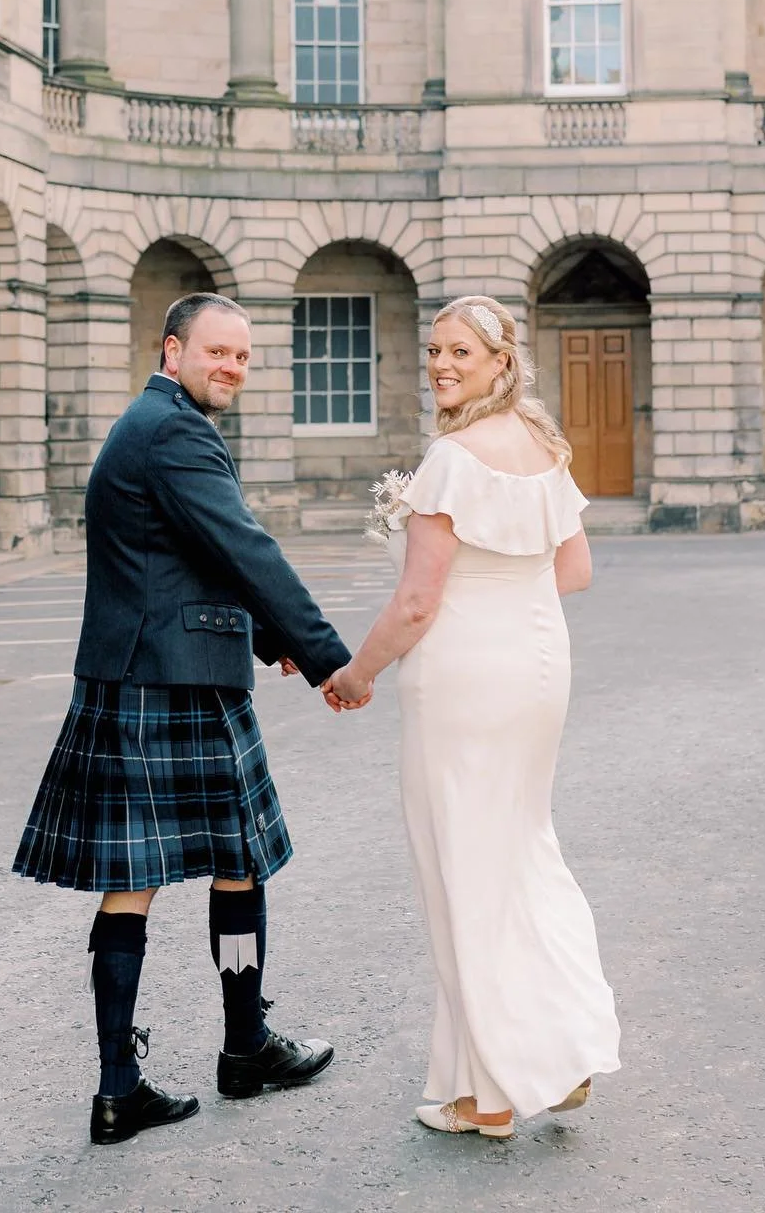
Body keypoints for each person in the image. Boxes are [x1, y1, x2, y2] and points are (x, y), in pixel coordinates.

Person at [13, 292, 363, 1146]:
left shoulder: (150, 422)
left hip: (141, 672)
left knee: (133, 880)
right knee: (237, 861)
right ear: (173, 351)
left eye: (243, 356)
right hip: (175, 682)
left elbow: (198, 556)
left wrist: (272, 636)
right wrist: (326, 655)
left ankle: (118, 1085)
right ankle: (242, 1047)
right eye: (218, 352)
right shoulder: (174, 431)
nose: (232, 368)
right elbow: (243, 547)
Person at [326, 294, 621, 1138]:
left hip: (463, 678)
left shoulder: (452, 458)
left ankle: (491, 1094)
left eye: (461, 352)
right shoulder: (546, 451)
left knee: (464, 867)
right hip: (536, 663)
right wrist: (502, 597)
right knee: (520, 851)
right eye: (434, 352)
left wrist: (354, 674)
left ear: (502, 363)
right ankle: (550, 1052)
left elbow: (418, 603)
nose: (443, 365)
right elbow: (575, 571)